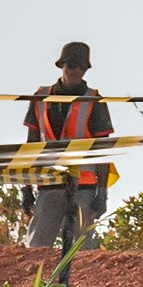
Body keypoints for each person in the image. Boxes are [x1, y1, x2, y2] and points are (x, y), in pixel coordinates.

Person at [23, 41, 113, 248]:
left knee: (81, 251)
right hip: (48, 183)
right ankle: (37, 282)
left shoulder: (94, 100)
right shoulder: (40, 97)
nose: (76, 70)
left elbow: (104, 149)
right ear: (62, 65)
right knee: (37, 247)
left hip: (84, 186)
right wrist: (26, 188)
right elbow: (30, 145)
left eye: (81, 66)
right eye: (72, 65)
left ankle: (79, 282)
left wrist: (102, 192)